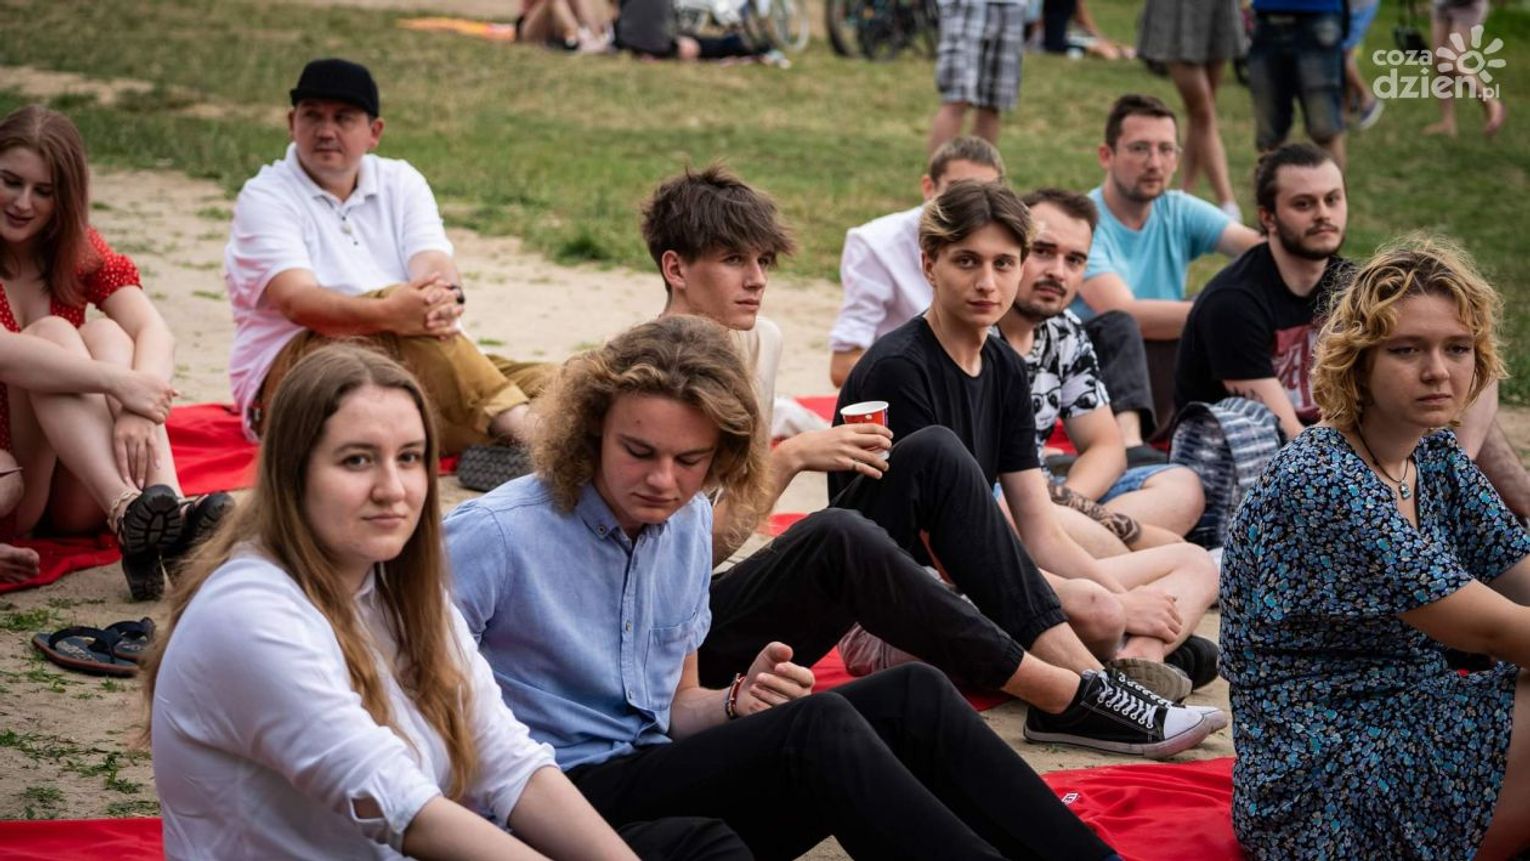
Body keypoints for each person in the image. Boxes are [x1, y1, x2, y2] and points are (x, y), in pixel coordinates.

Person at [447, 315, 1124, 859]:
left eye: (689, 460)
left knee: (912, 694)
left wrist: (736, 704)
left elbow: (677, 709)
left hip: (652, 773)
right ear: (591, 431)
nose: (662, 480)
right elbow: (408, 714)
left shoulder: (686, 523)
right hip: (549, 802)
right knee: (817, 725)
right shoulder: (497, 535)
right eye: (639, 451)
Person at [644, 165, 1223, 753]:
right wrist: (790, 458)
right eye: (734, 261)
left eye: (764, 261)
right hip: (685, 633)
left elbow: (1039, 524)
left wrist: (1113, 599)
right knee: (868, 523)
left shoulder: (758, 339)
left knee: (1173, 564)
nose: (757, 279)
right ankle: (1087, 692)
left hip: (760, 600)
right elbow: (669, 561)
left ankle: (1102, 687)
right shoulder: (654, 380)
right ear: (675, 268)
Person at [145, 343, 737, 860]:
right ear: (292, 472)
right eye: (357, 460)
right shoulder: (252, 616)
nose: (392, 489)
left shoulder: (398, 591)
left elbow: (509, 763)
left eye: (409, 458)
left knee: (703, 847)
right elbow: (403, 809)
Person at [835, 179, 1221, 700]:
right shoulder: (900, 369)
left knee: (1193, 562)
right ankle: (1121, 674)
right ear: (929, 265)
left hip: (983, 580)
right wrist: (1115, 604)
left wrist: (1121, 598)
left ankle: (1139, 662)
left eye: (1003, 264)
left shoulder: (1004, 366)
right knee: (1099, 612)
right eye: (967, 261)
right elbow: (948, 558)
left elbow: (1041, 529)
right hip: (897, 606)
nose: (986, 282)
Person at [1220, 236, 1530, 859]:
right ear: (1358, 361)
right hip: (1322, 783)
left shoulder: (1433, 455)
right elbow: (1499, 631)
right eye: (1407, 349)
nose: (1438, 370)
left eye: (1457, 348)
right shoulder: (1325, 480)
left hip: (1416, 717)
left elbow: (1519, 572)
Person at [223, 58, 548, 482]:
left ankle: (500, 447)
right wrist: (392, 313)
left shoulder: (400, 180)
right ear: (291, 123)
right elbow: (297, 301)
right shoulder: (266, 195)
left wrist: (439, 298)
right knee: (400, 308)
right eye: (313, 116)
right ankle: (533, 439)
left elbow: (435, 262)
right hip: (297, 381)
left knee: (558, 381)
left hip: (409, 356)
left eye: (343, 118)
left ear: (374, 132)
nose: (326, 131)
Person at [1176, 143, 1530, 522]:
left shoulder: (1354, 286)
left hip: (1364, 449)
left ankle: (1477, 489)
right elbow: (1290, 438)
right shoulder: (1233, 304)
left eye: (1332, 199)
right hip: (1275, 473)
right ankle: (1450, 490)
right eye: (1304, 204)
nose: (1323, 214)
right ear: (1268, 217)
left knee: (1469, 371)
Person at [0, 104, 229, 598]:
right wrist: (119, 384)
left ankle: (166, 506)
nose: (22, 203)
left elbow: (154, 330)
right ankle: (128, 508)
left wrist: (136, 410)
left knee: (109, 336)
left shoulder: (75, 248)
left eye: (43, 191)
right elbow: (7, 353)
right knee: (53, 335)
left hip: (78, 486)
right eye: (10, 182)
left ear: (65, 197)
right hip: (15, 479)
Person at [995, 188, 1206, 550]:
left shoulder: (1064, 330)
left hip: (1050, 496)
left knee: (1182, 487)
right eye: (1043, 251)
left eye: (1075, 260)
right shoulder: (975, 331)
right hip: (996, 497)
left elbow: (1105, 446)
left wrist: (1067, 505)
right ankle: (1127, 557)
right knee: (1007, 511)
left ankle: (1080, 547)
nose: (1058, 272)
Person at [1074, 94, 1263, 426]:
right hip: (1099, 377)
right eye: (1139, 148)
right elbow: (1126, 316)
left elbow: (1263, 252)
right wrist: (1223, 313)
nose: (1155, 163)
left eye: (1166, 150)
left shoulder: (1177, 209)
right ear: (1106, 155)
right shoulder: (1083, 223)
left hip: (1167, 366)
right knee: (1203, 310)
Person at [828, 136, 1004, 388]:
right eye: (958, 190)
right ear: (929, 188)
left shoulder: (1010, 247)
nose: (972, 206)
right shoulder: (876, 243)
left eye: (986, 193)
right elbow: (843, 365)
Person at [1135, 0, 1245, 220]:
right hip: (1177, 10)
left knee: (1202, 113)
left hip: (1215, 7)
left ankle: (1184, 194)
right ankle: (1227, 202)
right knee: (1203, 111)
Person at [1245, 0, 1348, 166]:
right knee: (1269, 139)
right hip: (1265, 20)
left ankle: (1332, 183)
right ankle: (1274, 182)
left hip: (1317, 16)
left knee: (1325, 129)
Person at [927, 0, 1025, 152]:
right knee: (956, 98)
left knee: (992, 102)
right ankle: (942, 167)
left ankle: (980, 168)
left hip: (1012, 5)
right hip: (965, 4)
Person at [1424, 0, 1506, 137]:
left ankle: (1491, 103)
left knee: (1452, 61)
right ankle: (1447, 123)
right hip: (1442, 3)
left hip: (1468, 6)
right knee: (1438, 62)